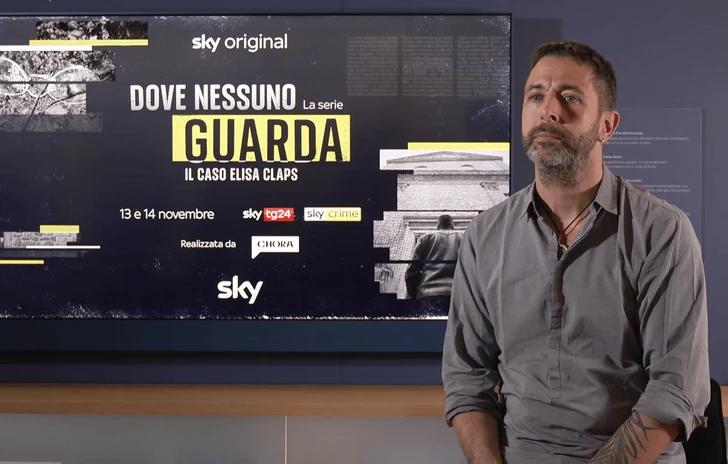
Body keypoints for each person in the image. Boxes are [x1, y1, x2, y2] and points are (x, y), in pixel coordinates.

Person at [441, 40, 710, 463]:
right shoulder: (484, 236)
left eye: (569, 98)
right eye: (535, 96)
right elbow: (467, 379)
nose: (548, 110)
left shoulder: (662, 232)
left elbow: (675, 389)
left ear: (607, 126)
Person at [405, 214, 463, 299]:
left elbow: (412, 271)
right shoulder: (463, 239)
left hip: (428, 293)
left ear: (437, 226)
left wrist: (413, 295)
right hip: (457, 294)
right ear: (453, 226)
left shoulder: (425, 238)